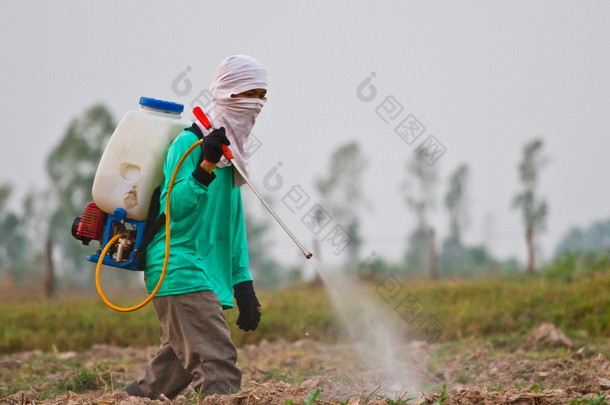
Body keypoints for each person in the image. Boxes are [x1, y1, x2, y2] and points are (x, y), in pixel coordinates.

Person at [122, 55, 267, 399]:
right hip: (178, 267)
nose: (257, 105)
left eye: (262, 96)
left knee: (168, 374)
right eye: (250, 94)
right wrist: (205, 163)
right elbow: (173, 205)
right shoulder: (188, 145)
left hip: (202, 271)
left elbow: (231, 231)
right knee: (217, 361)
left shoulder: (233, 160)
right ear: (228, 93)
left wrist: (244, 287)